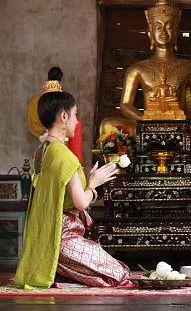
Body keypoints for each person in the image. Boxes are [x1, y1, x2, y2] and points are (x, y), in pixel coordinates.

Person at [15, 67, 130, 289]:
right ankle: (64, 274)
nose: (77, 122)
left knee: (113, 270)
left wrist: (86, 180)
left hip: (44, 238)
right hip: (63, 237)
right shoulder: (64, 155)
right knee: (119, 274)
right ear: (64, 116)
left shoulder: (42, 150)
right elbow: (81, 203)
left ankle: (61, 274)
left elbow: (60, 191)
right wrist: (94, 183)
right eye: (76, 114)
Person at [100, 0, 191, 141]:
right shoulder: (137, 68)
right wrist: (146, 118)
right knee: (107, 125)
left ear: (177, 32)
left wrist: (179, 120)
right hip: (147, 125)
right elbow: (125, 105)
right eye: (158, 26)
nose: (163, 31)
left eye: (169, 26)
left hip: (181, 126)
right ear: (150, 33)